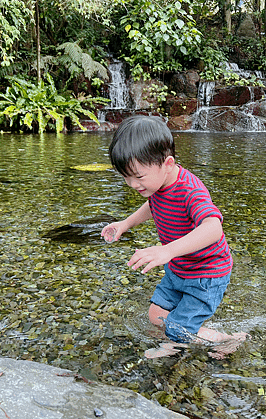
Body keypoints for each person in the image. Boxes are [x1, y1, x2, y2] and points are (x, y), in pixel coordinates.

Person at [101, 115, 246, 358]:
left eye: (138, 176)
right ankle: (194, 333)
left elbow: (213, 228)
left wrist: (166, 251)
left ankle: (226, 340)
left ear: (167, 164)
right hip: (179, 269)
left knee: (178, 328)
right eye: (126, 177)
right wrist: (126, 223)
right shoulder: (157, 185)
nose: (133, 184)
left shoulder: (190, 190)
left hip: (207, 273)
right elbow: (153, 205)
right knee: (156, 315)